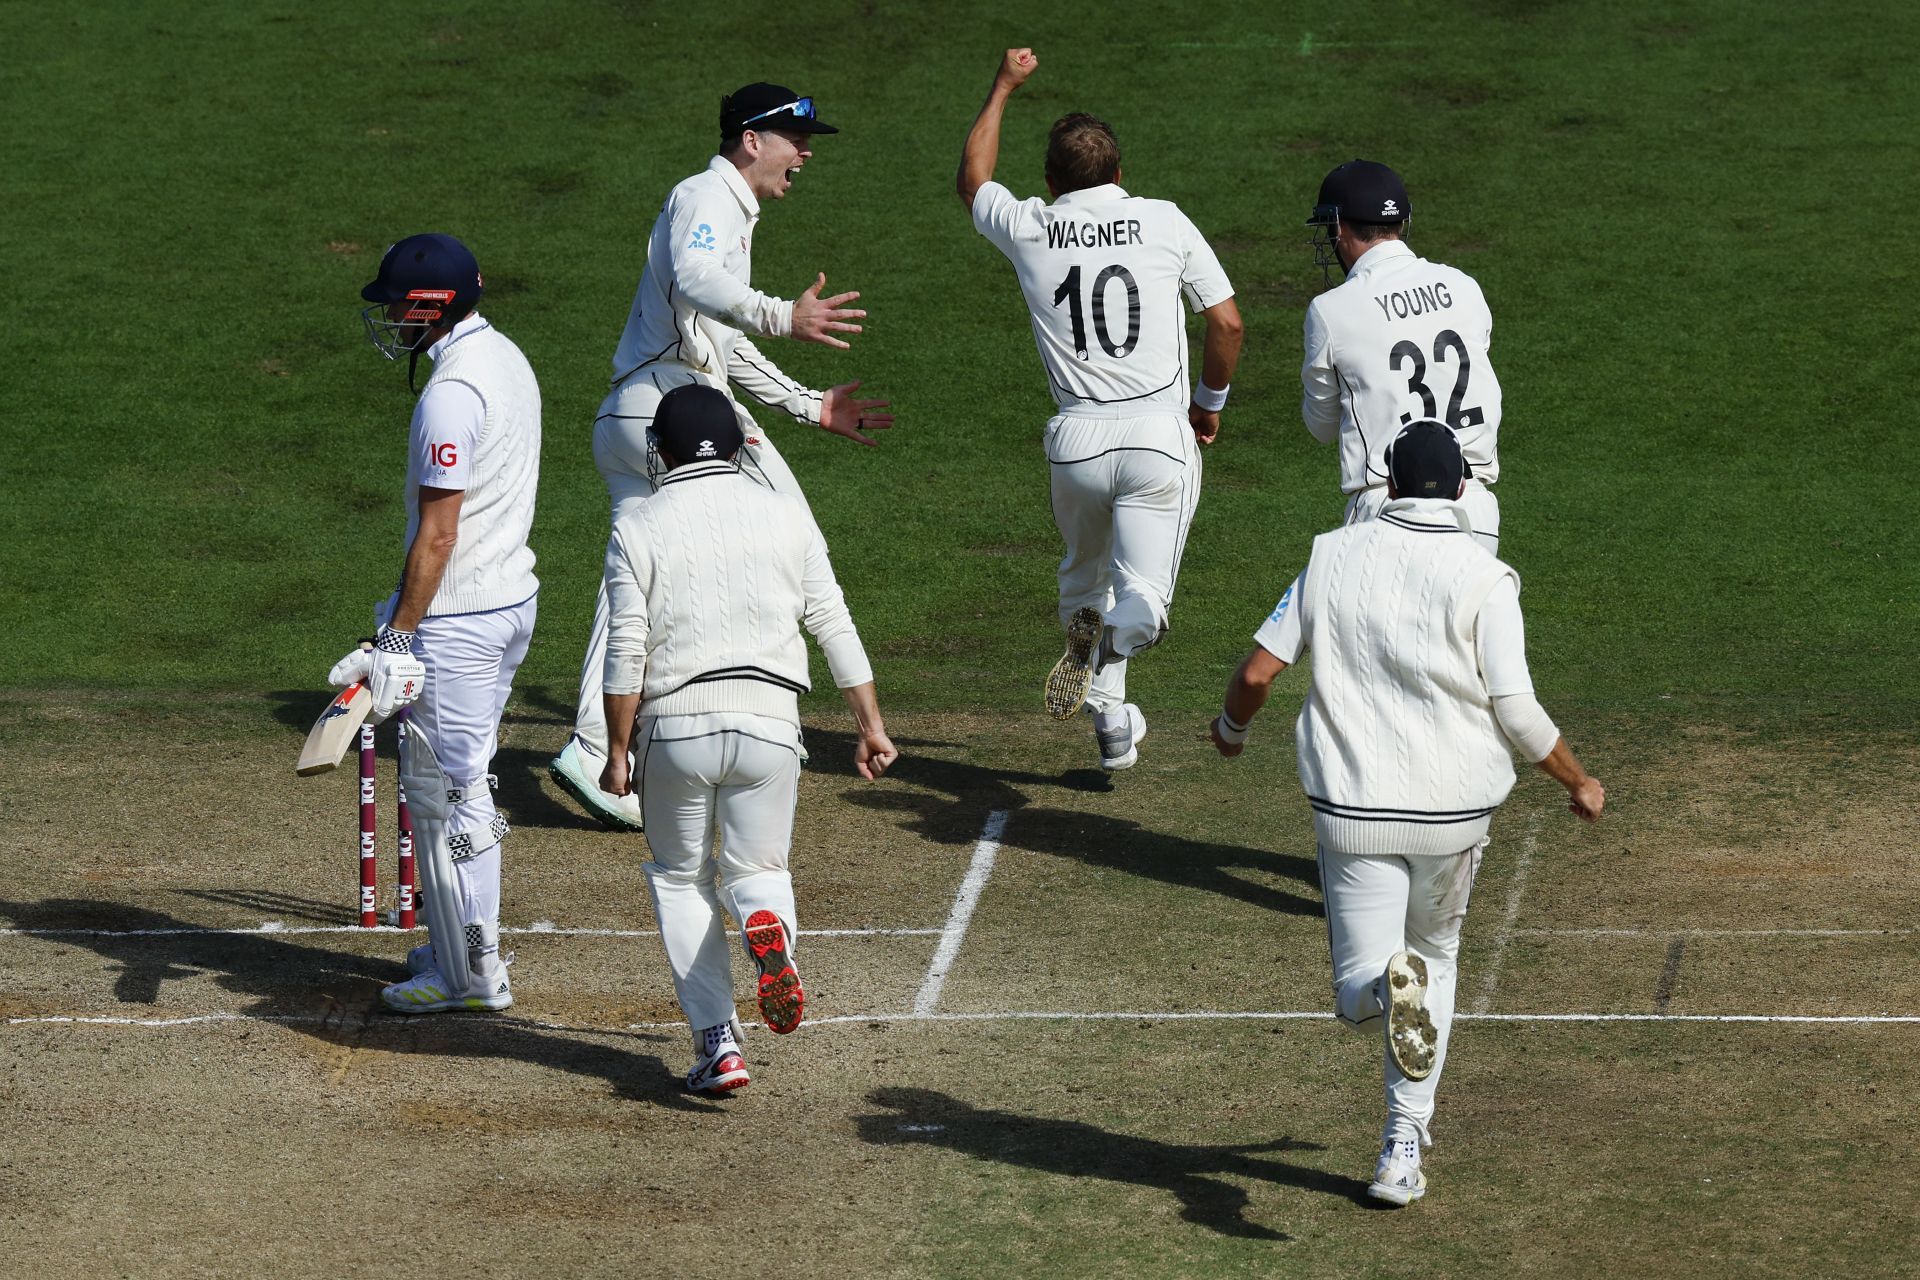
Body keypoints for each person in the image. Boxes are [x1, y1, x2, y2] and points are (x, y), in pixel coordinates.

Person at [1207, 421, 1604, 1205]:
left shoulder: (1330, 555)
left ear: (1387, 484)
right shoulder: (1488, 577)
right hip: (1454, 816)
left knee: (1362, 984)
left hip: (1354, 807)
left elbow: (1257, 672)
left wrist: (1230, 730)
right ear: (1462, 490)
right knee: (1437, 957)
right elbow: (1517, 710)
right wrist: (1577, 781)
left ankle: (1385, 993)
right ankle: (1401, 1149)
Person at [549, 82, 896, 829]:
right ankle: (708, 726)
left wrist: (808, 404)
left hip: (654, 406)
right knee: (783, 528)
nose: (805, 154)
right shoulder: (706, 197)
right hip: (664, 410)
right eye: (794, 139)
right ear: (750, 140)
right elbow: (697, 283)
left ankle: (620, 741)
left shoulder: (731, 212)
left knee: (644, 559)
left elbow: (721, 339)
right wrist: (783, 313)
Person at [597, 384, 897, 1095]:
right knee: (758, 868)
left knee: (679, 877)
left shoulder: (638, 524)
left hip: (676, 728)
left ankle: (718, 1044)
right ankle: (765, 923)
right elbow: (833, 622)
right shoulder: (784, 514)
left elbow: (625, 650)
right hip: (770, 724)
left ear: (660, 451)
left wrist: (615, 751)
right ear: (737, 446)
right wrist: (870, 726)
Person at [957, 47, 1244, 770]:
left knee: (1086, 579)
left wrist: (1002, 87)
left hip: (1076, 443)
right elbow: (1228, 323)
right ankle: (1114, 643)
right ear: (1120, 176)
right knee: (1142, 598)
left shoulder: (1030, 225)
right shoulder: (1164, 220)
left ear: (1052, 182)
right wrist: (1208, 406)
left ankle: (1111, 720)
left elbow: (973, 181)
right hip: (1156, 435)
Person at [328, 232, 542, 1014]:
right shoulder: (505, 357)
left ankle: (469, 978)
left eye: (395, 303)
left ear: (428, 305)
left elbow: (440, 532)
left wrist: (400, 635)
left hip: (460, 618)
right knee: (465, 789)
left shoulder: (450, 394)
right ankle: (461, 944)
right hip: (505, 601)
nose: (388, 315)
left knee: (447, 799)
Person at [1302, 160, 1505, 552]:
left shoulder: (1331, 309)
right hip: (1475, 510)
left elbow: (1321, 427)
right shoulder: (1464, 286)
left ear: (1339, 227)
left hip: (1388, 509)